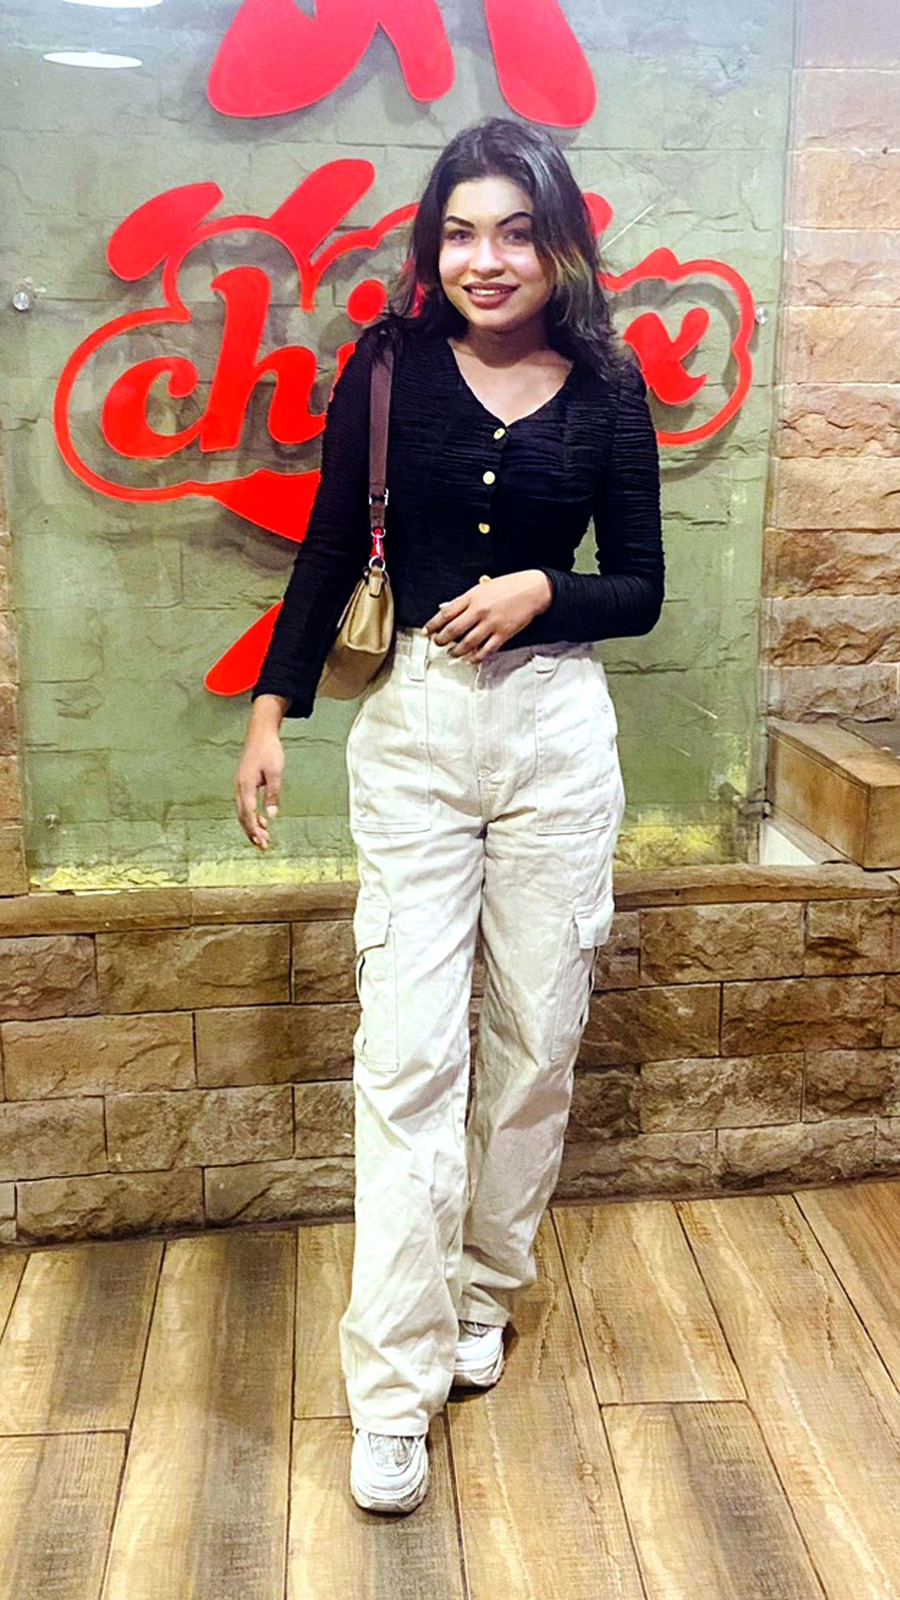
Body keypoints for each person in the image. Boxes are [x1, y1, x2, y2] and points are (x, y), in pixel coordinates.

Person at [235, 115, 664, 1516]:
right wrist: (273, 709)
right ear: (434, 245)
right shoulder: (386, 368)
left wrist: (545, 589)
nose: (487, 259)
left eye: (516, 232)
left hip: (556, 734)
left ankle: (485, 1287)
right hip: (415, 730)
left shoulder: (610, 383)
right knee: (409, 1057)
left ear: (558, 244)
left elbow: (643, 587)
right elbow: (326, 542)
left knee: (536, 1039)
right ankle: (392, 1386)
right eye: (462, 232)